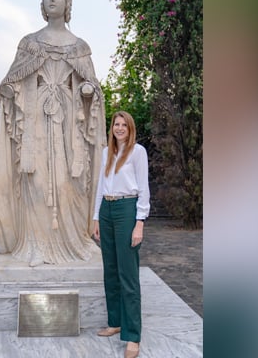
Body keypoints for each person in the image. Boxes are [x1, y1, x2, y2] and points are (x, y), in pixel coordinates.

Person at [0, 0, 107, 267]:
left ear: (68, 4)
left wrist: (87, 94)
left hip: (69, 128)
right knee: (37, 183)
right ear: (41, 3)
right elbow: (12, 84)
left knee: (70, 185)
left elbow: (93, 91)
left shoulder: (80, 48)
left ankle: (72, 242)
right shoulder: (29, 44)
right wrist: (8, 93)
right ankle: (36, 246)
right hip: (35, 126)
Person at [92, 111, 150, 358]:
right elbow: (100, 187)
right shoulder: (107, 152)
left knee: (128, 274)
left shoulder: (138, 152)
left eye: (124, 124)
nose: (119, 128)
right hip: (107, 208)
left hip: (127, 209)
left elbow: (144, 189)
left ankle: (133, 335)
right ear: (111, 128)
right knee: (111, 270)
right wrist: (96, 216)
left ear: (130, 127)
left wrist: (140, 223)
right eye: (116, 124)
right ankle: (115, 321)